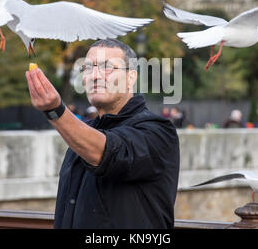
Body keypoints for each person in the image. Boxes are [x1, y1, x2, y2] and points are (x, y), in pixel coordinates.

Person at [25, 39, 180, 229]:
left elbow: (107, 153)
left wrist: (56, 111)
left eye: (107, 68)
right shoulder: (83, 136)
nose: (95, 76)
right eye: (88, 68)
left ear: (131, 77)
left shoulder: (157, 132)